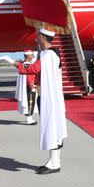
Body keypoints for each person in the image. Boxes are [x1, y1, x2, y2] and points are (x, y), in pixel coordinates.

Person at [14, 28, 68, 174]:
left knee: (51, 126)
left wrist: (15, 64)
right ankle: (54, 160)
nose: (36, 38)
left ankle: (54, 163)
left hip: (48, 97)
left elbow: (32, 69)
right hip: (51, 96)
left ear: (43, 37)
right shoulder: (53, 54)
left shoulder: (47, 55)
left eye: (38, 36)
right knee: (54, 127)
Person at [15, 50, 37, 125]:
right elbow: (29, 76)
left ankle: (28, 118)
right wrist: (32, 86)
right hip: (28, 87)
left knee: (27, 102)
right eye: (31, 55)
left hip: (25, 87)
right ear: (28, 56)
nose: (33, 57)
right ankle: (29, 119)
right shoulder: (27, 64)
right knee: (30, 102)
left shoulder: (22, 63)